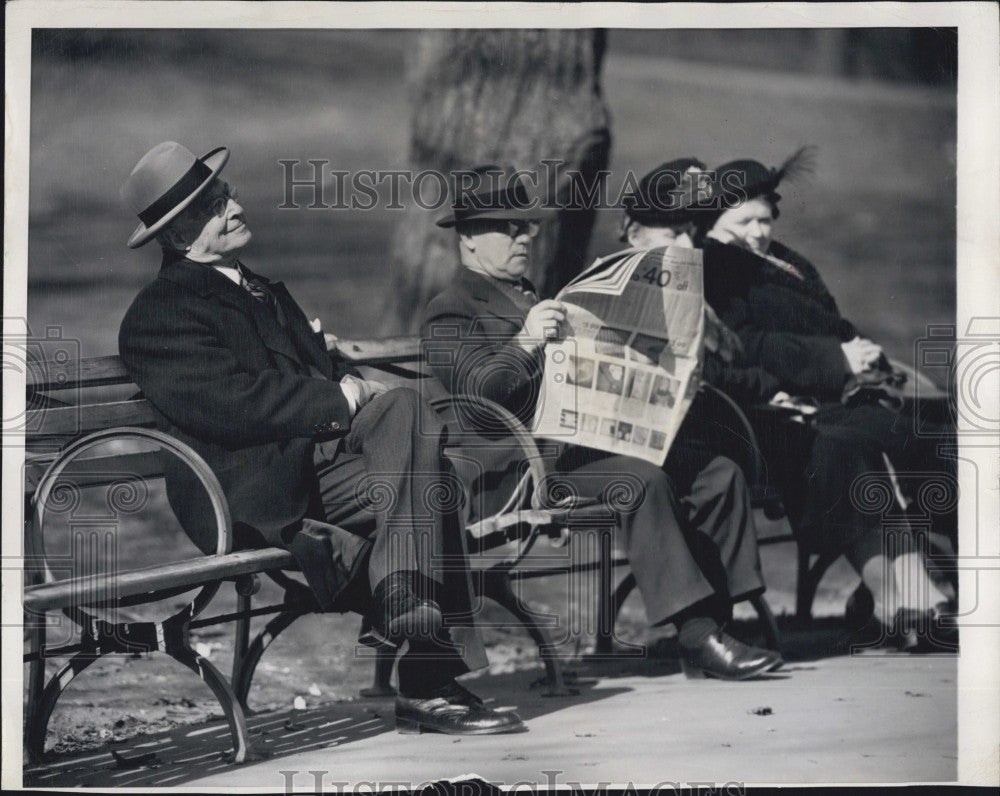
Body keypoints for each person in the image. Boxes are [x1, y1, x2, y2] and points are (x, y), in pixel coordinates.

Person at [117, 141, 525, 734]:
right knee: (428, 471)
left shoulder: (256, 287)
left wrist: (348, 380)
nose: (234, 206)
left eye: (225, 193)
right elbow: (230, 406)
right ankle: (426, 676)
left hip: (312, 467)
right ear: (181, 235)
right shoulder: (161, 314)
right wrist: (339, 398)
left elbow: (312, 374)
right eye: (214, 204)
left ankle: (405, 602)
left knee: (407, 415)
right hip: (245, 489)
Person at [420, 165, 782, 681]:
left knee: (714, 471)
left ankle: (718, 620)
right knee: (643, 480)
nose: (524, 236)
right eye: (509, 227)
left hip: (578, 447)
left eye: (528, 227)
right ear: (471, 237)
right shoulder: (450, 310)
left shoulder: (531, 294)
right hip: (516, 471)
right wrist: (526, 342)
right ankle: (700, 637)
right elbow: (482, 397)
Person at [691, 149, 956, 651]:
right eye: (742, 220)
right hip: (771, 410)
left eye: (764, 219)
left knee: (918, 435)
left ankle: (906, 596)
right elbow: (749, 346)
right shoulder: (718, 269)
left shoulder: (787, 262)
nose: (757, 231)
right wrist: (837, 360)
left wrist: (861, 353)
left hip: (831, 395)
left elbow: (830, 323)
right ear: (714, 221)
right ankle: (899, 597)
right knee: (856, 445)